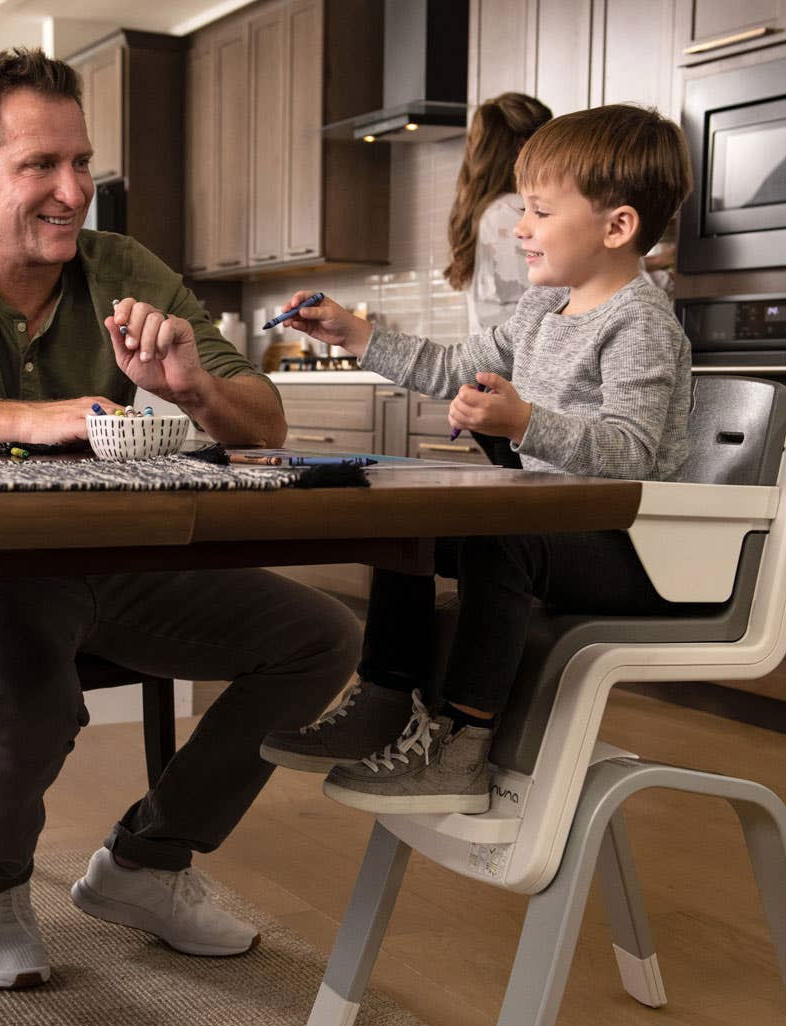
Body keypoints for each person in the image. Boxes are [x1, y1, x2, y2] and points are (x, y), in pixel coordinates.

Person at [0, 49, 360, 988]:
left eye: (81, 163)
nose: (73, 190)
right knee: (32, 694)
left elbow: (263, 416)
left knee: (319, 638)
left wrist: (193, 387)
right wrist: (30, 420)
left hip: (109, 560)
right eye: (40, 165)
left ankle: (147, 863)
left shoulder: (122, 266)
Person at [260, 103, 693, 813]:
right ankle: (385, 697)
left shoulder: (640, 322)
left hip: (633, 549)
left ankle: (461, 744)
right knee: (407, 516)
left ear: (617, 227)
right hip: (558, 531)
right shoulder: (541, 308)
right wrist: (354, 332)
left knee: (504, 538)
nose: (520, 227)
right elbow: (452, 365)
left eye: (541, 212)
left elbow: (631, 453)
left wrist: (523, 421)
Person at [444, 92, 552, 469]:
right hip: (512, 391)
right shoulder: (512, 211)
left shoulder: (487, 210)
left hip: (490, 383)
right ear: (526, 146)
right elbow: (545, 302)